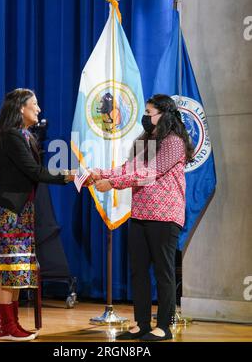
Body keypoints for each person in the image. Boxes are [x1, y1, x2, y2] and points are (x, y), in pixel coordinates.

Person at [92, 94, 194, 341]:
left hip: (165, 215)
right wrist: (99, 173)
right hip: (139, 213)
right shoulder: (144, 140)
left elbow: (151, 172)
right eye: (146, 112)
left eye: (150, 112)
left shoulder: (174, 141)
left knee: (163, 272)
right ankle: (142, 323)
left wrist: (112, 183)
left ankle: (165, 327)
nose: (146, 117)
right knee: (138, 271)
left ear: (165, 114)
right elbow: (128, 169)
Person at [0, 88, 74, 341]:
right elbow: (35, 172)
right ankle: (5, 328)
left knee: (17, 269)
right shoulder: (11, 136)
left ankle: (13, 325)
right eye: (35, 104)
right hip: (5, 213)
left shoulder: (24, 135)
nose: (39, 109)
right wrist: (71, 176)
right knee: (6, 270)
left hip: (20, 212)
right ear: (21, 107)